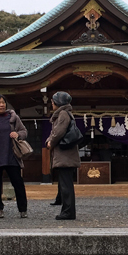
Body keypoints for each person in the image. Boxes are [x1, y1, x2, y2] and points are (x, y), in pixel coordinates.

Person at [48, 89, 80, 220]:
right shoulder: (65, 113)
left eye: (53, 101)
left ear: (57, 102)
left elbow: (58, 132)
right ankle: (65, 208)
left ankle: (68, 212)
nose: (51, 104)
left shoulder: (62, 114)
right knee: (64, 183)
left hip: (65, 155)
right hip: (66, 154)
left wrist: (50, 142)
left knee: (66, 184)